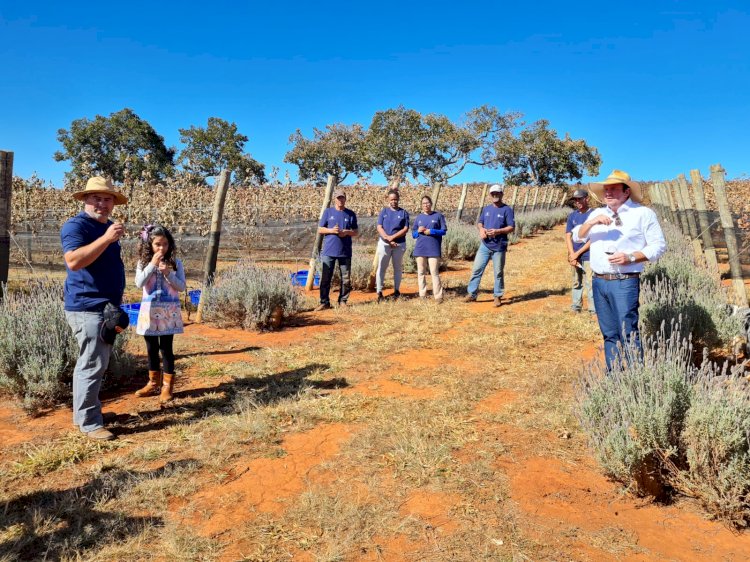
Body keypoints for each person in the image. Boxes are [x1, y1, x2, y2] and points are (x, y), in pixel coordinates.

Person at [572, 170, 666, 369]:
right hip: (598, 281)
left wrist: (630, 256)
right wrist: (590, 222)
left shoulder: (642, 214)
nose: (608, 193)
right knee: (609, 333)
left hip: (624, 281)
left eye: (613, 189)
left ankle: (635, 377)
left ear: (626, 192)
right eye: (606, 189)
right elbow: (577, 237)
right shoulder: (597, 213)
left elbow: (658, 246)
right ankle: (614, 376)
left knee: (628, 332)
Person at [61, 176, 128, 441]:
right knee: (91, 364)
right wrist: (107, 239)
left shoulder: (108, 226)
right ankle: (89, 423)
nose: (102, 203)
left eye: (108, 198)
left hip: (105, 307)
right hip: (87, 306)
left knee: (96, 362)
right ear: (85, 199)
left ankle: (88, 413)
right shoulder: (75, 226)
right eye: (96, 198)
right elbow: (74, 261)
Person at [133, 225, 186, 403]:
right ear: (149, 245)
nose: (161, 248)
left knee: (166, 348)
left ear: (170, 244)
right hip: (149, 312)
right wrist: (152, 266)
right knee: (151, 349)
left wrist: (168, 273)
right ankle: (153, 382)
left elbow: (181, 287)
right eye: (157, 244)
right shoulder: (142, 263)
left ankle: (167, 386)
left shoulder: (176, 263)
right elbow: (139, 283)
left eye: (165, 244)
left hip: (168, 312)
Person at [465, 184, 516, 306]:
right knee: (477, 270)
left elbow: (511, 227)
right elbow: (480, 222)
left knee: (498, 272)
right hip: (485, 246)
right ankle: (472, 294)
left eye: (497, 193)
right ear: (490, 195)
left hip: (499, 246)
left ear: (502, 194)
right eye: (493, 193)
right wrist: (481, 230)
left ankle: (497, 296)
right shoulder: (487, 209)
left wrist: (497, 231)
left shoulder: (507, 210)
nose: (495, 195)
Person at [316, 189, 358, 310]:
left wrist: (346, 232)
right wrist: (331, 231)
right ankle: (324, 302)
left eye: (342, 198)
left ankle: (343, 301)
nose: (340, 200)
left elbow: (356, 232)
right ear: (334, 199)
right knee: (325, 278)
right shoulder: (328, 212)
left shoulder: (350, 214)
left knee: (345, 278)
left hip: (345, 252)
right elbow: (320, 229)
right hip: (329, 251)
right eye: (338, 198)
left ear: (345, 199)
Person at [376, 189, 410, 302]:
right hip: (384, 244)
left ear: (398, 199)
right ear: (388, 200)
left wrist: (393, 237)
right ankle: (379, 292)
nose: (394, 201)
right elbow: (379, 227)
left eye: (395, 199)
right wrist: (388, 239)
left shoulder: (403, 213)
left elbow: (405, 228)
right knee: (382, 267)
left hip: (399, 244)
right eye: (391, 199)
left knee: (397, 268)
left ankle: (396, 290)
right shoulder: (384, 212)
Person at [565, 189, 596, 314]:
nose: (577, 202)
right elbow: (568, 236)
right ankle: (576, 306)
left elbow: (593, 238)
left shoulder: (593, 214)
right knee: (576, 281)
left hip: (589, 255)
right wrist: (572, 254)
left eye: (580, 199)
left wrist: (577, 253)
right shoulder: (572, 216)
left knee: (590, 282)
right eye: (575, 200)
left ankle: (593, 309)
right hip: (574, 255)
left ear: (587, 199)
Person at [412, 195, 447, 302]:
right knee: (421, 272)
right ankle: (422, 294)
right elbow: (413, 234)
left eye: (427, 203)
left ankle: (438, 296)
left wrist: (431, 231)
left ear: (431, 203)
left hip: (433, 249)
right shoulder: (419, 217)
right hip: (420, 248)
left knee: (434, 272)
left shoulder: (438, 216)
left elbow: (444, 231)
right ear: (421, 205)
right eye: (423, 203)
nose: (426, 205)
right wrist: (418, 231)